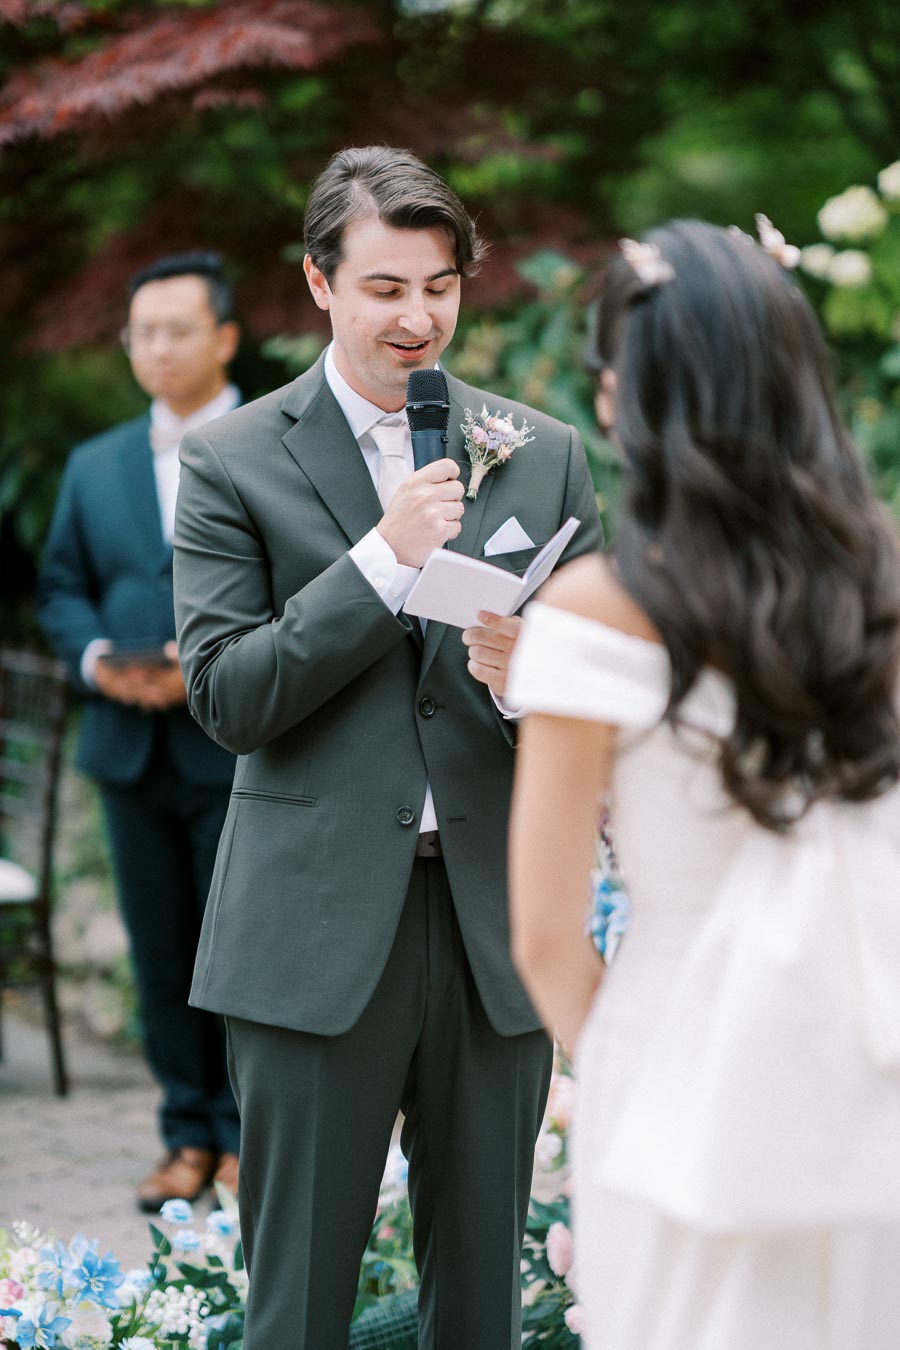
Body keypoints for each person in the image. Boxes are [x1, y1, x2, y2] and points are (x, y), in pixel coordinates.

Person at [171, 145, 603, 1348]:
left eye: (440, 285)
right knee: (296, 1301)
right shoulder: (231, 460)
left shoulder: (544, 450)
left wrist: (537, 683)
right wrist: (382, 564)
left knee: (480, 1305)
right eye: (383, 288)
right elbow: (226, 695)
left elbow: (601, 702)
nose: (418, 316)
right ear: (319, 283)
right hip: (309, 934)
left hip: (492, 929)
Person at [507, 219, 900, 1349]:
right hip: (871, 1054)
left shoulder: (593, 607)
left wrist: (636, 1064)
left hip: (669, 1061)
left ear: (631, 393)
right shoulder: (882, 585)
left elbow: (542, 936)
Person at [38, 252, 242, 1211]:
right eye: (142, 333)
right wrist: (100, 663)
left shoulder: (270, 443)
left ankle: (248, 1135)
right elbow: (61, 589)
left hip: (240, 742)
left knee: (240, 947)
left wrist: (193, 660)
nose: (155, 348)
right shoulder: (94, 465)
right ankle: (186, 1135)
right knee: (159, 951)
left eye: (177, 329)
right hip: (127, 749)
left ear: (225, 338)